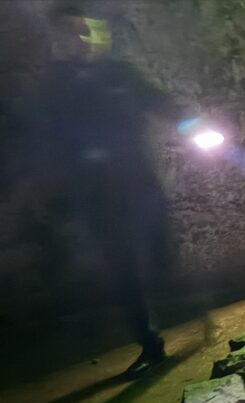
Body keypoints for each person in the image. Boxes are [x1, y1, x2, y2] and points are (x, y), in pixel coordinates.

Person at [23, 5, 182, 376]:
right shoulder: (52, 88)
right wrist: (52, 184)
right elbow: (46, 139)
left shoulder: (118, 73)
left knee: (159, 248)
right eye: (70, 33)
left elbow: (159, 102)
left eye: (84, 31)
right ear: (57, 39)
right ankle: (148, 341)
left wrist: (191, 124)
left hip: (138, 182)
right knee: (121, 268)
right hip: (94, 194)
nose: (80, 40)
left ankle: (171, 300)